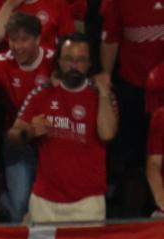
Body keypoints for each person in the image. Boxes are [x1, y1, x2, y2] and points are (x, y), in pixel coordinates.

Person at [12, 34, 116, 223]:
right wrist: (30, 132)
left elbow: (107, 134)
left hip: (88, 202)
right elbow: (13, 136)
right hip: (45, 201)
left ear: (89, 63)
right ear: (58, 61)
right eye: (68, 59)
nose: (74, 66)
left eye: (81, 60)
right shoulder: (41, 93)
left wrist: (104, 93)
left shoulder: (100, 94)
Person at [0, 12, 53, 221]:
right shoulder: (1, 62)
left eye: (24, 40)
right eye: (13, 40)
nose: (17, 46)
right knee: (18, 207)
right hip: (17, 140)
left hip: (53, 140)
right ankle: (5, 211)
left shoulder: (55, 61)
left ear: (38, 39)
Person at [101, 0, 164, 217]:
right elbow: (111, 37)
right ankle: (131, 220)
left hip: (162, 90)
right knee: (132, 159)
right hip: (132, 88)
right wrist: (106, 78)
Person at [0, 0, 73, 55]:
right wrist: (10, 5)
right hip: (7, 72)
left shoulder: (57, 3)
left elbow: (71, 46)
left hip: (45, 70)